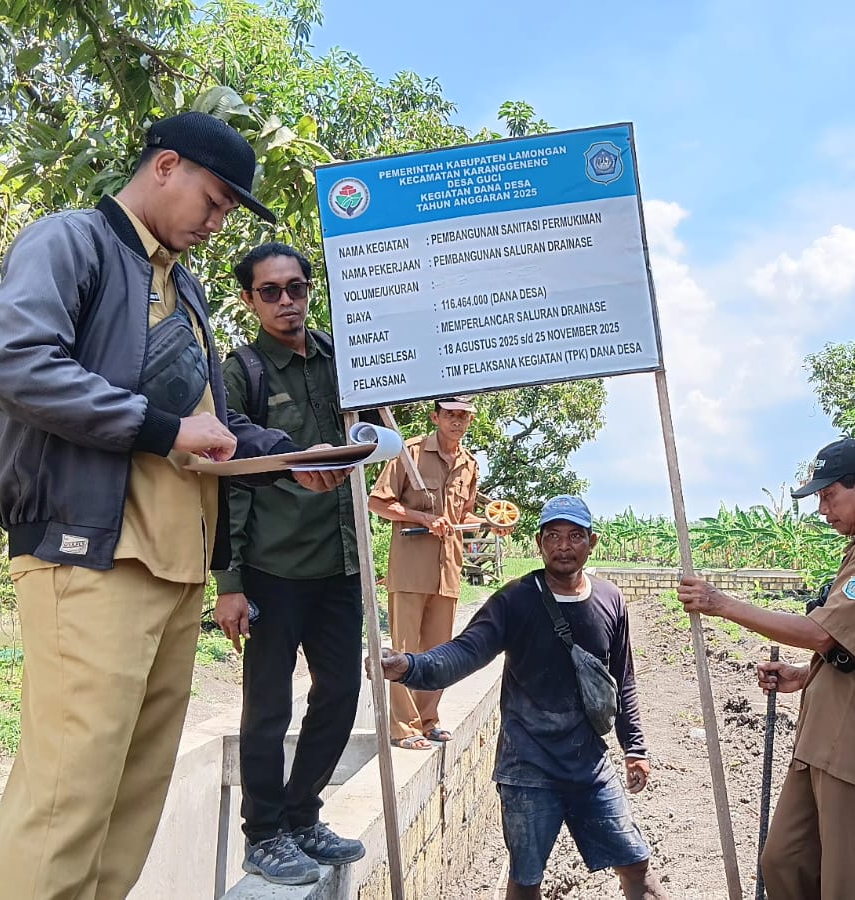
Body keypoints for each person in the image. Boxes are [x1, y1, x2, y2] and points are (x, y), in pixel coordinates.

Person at [0, 112, 344, 900]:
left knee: (133, 802)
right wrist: (163, 427)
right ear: (166, 166)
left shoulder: (187, 288)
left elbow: (207, 422)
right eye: (214, 203)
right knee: (66, 801)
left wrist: (287, 457)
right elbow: (16, 365)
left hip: (177, 574)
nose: (217, 225)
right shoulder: (70, 242)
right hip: (91, 558)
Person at [378, 495, 666, 899]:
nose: (564, 546)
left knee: (636, 864)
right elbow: (465, 652)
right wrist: (411, 666)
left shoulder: (609, 600)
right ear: (539, 543)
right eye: (554, 536)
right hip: (527, 766)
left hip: (589, 764)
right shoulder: (516, 599)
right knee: (526, 878)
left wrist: (634, 747)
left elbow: (624, 679)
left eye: (574, 537)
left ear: (592, 542)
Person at [678, 438, 855, 900]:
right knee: (785, 860)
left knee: (851, 882)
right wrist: (805, 676)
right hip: (821, 737)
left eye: (828, 496)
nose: (822, 510)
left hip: (854, 747)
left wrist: (720, 604)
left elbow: (824, 633)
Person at [209, 243, 367, 884]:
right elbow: (227, 482)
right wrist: (230, 583)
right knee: (267, 709)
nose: (286, 302)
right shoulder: (240, 371)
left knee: (342, 694)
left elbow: (379, 425)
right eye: (270, 292)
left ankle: (303, 816)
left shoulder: (347, 361)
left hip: (341, 564)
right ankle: (264, 834)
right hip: (273, 570)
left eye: (296, 288)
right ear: (249, 300)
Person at [367, 396, 503, 750]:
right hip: (411, 569)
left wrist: (491, 522)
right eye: (451, 415)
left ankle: (429, 720)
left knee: (439, 650)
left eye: (464, 416)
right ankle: (404, 727)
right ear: (436, 417)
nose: (458, 421)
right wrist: (422, 518)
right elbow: (378, 502)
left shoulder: (469, 464)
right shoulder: (409, 453)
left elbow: (465, 517)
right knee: (404, 648)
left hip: (448, 572)